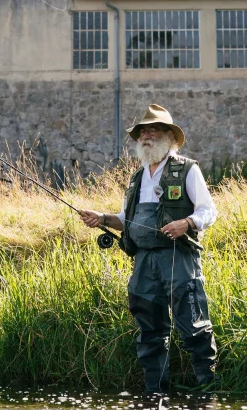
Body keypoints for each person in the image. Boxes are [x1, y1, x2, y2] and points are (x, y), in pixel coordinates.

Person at [80, 104, 218, 393]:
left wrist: (187, 222)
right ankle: (155, 392)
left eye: (153, 130)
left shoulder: (188, 169)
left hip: (179, 258)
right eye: (142, 131)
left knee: (194, 326)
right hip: (143, 263)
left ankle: (209, 390)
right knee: (150, 331)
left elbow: (209, 211)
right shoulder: (137, 178)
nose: (146, 135)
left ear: (169, 136)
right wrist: (103, 219)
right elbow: (126, 220)